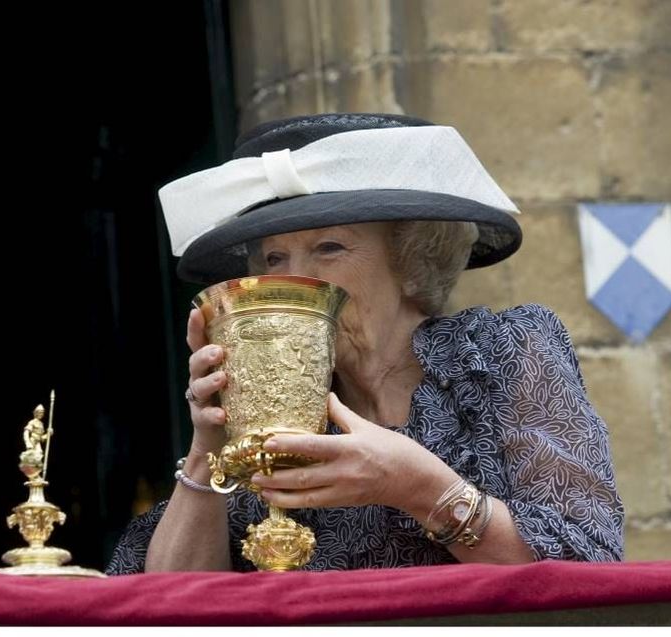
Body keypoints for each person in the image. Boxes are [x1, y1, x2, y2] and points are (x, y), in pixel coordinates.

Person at [107, 113, 624, 573]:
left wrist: (419, 488)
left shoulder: (504, 353)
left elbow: (587, 562)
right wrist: (209, 446)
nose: (295, 279)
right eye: (273, 259)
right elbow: (167, 601)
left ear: (412, 259)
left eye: (329, 248)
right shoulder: (271, 413)